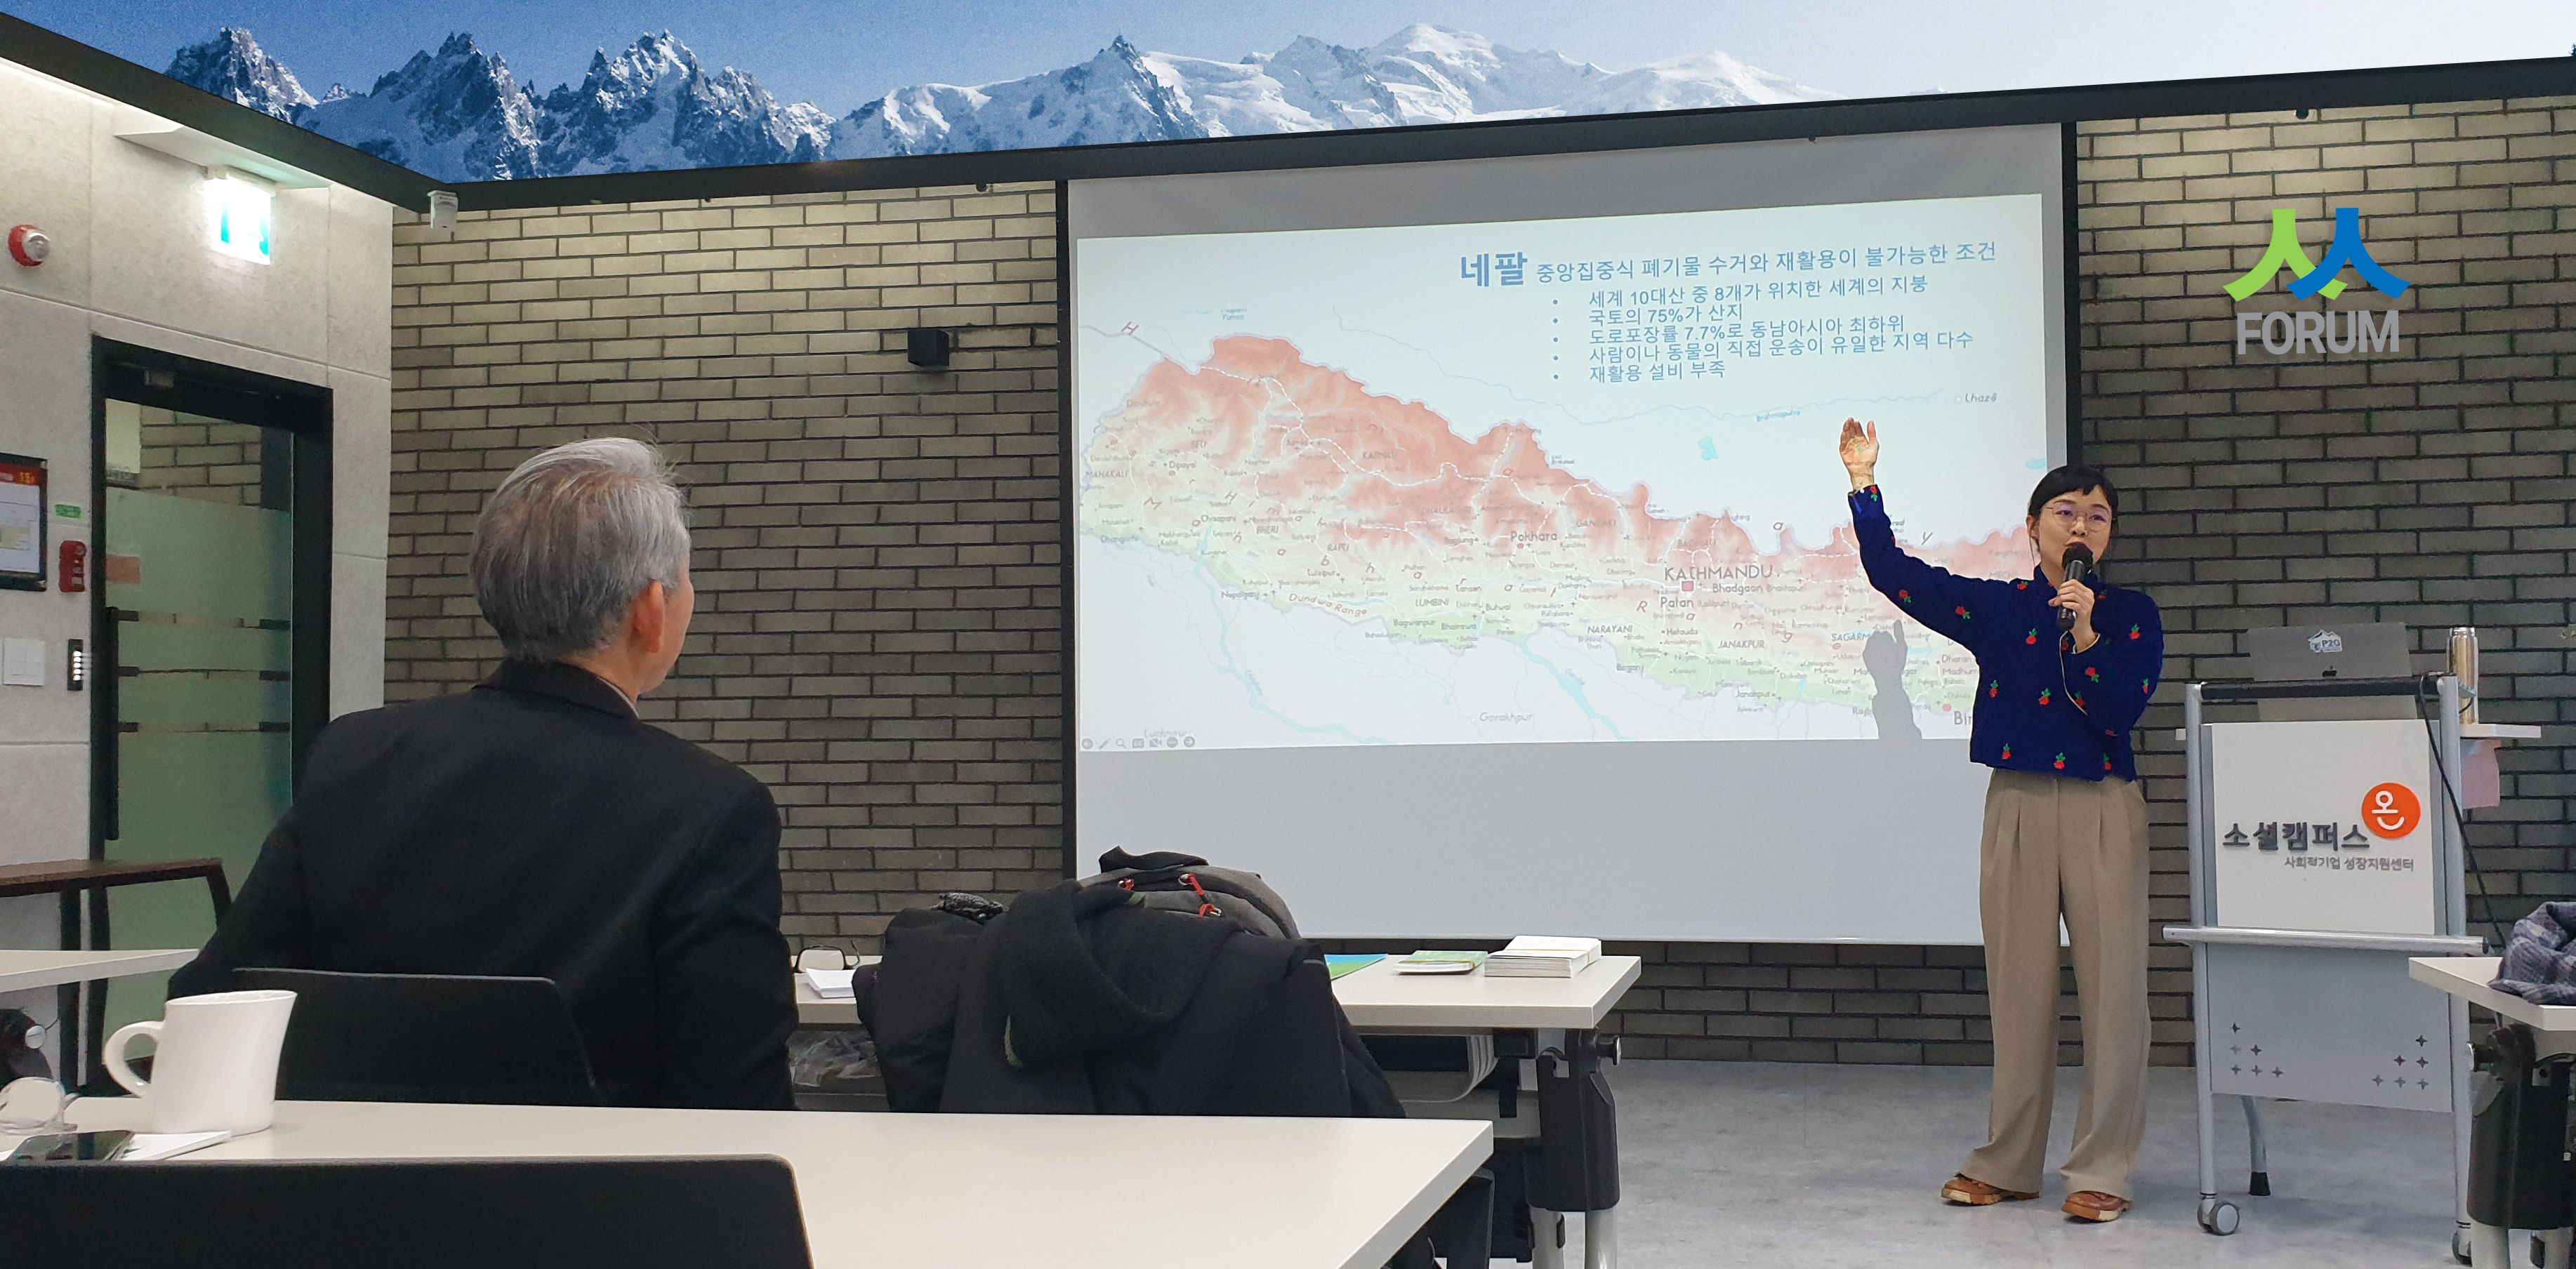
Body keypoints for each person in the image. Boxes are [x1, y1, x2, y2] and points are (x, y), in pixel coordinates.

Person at [169, 437, 795, 1109]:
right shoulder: (709, 805)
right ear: (650, 610)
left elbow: (215, 998)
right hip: (598, 1175)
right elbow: (737, 1094)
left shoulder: (353, 755)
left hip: (343, 1167)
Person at [1837, 418, 2164, 1223]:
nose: (2081, 525)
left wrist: (2085, 630)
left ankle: (2103, 1168)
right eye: (2065, 511)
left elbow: (2118, 709)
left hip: (2102, 806)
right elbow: (1895, 574)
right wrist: (1863, 484)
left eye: (2096, 515)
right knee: (2018, 989)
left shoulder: (2131, 614)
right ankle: (2010, 1161)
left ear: (2109, 534)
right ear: (2032, 526)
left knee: (2115, 994)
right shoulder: (1999, 607)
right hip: (2016, 801)